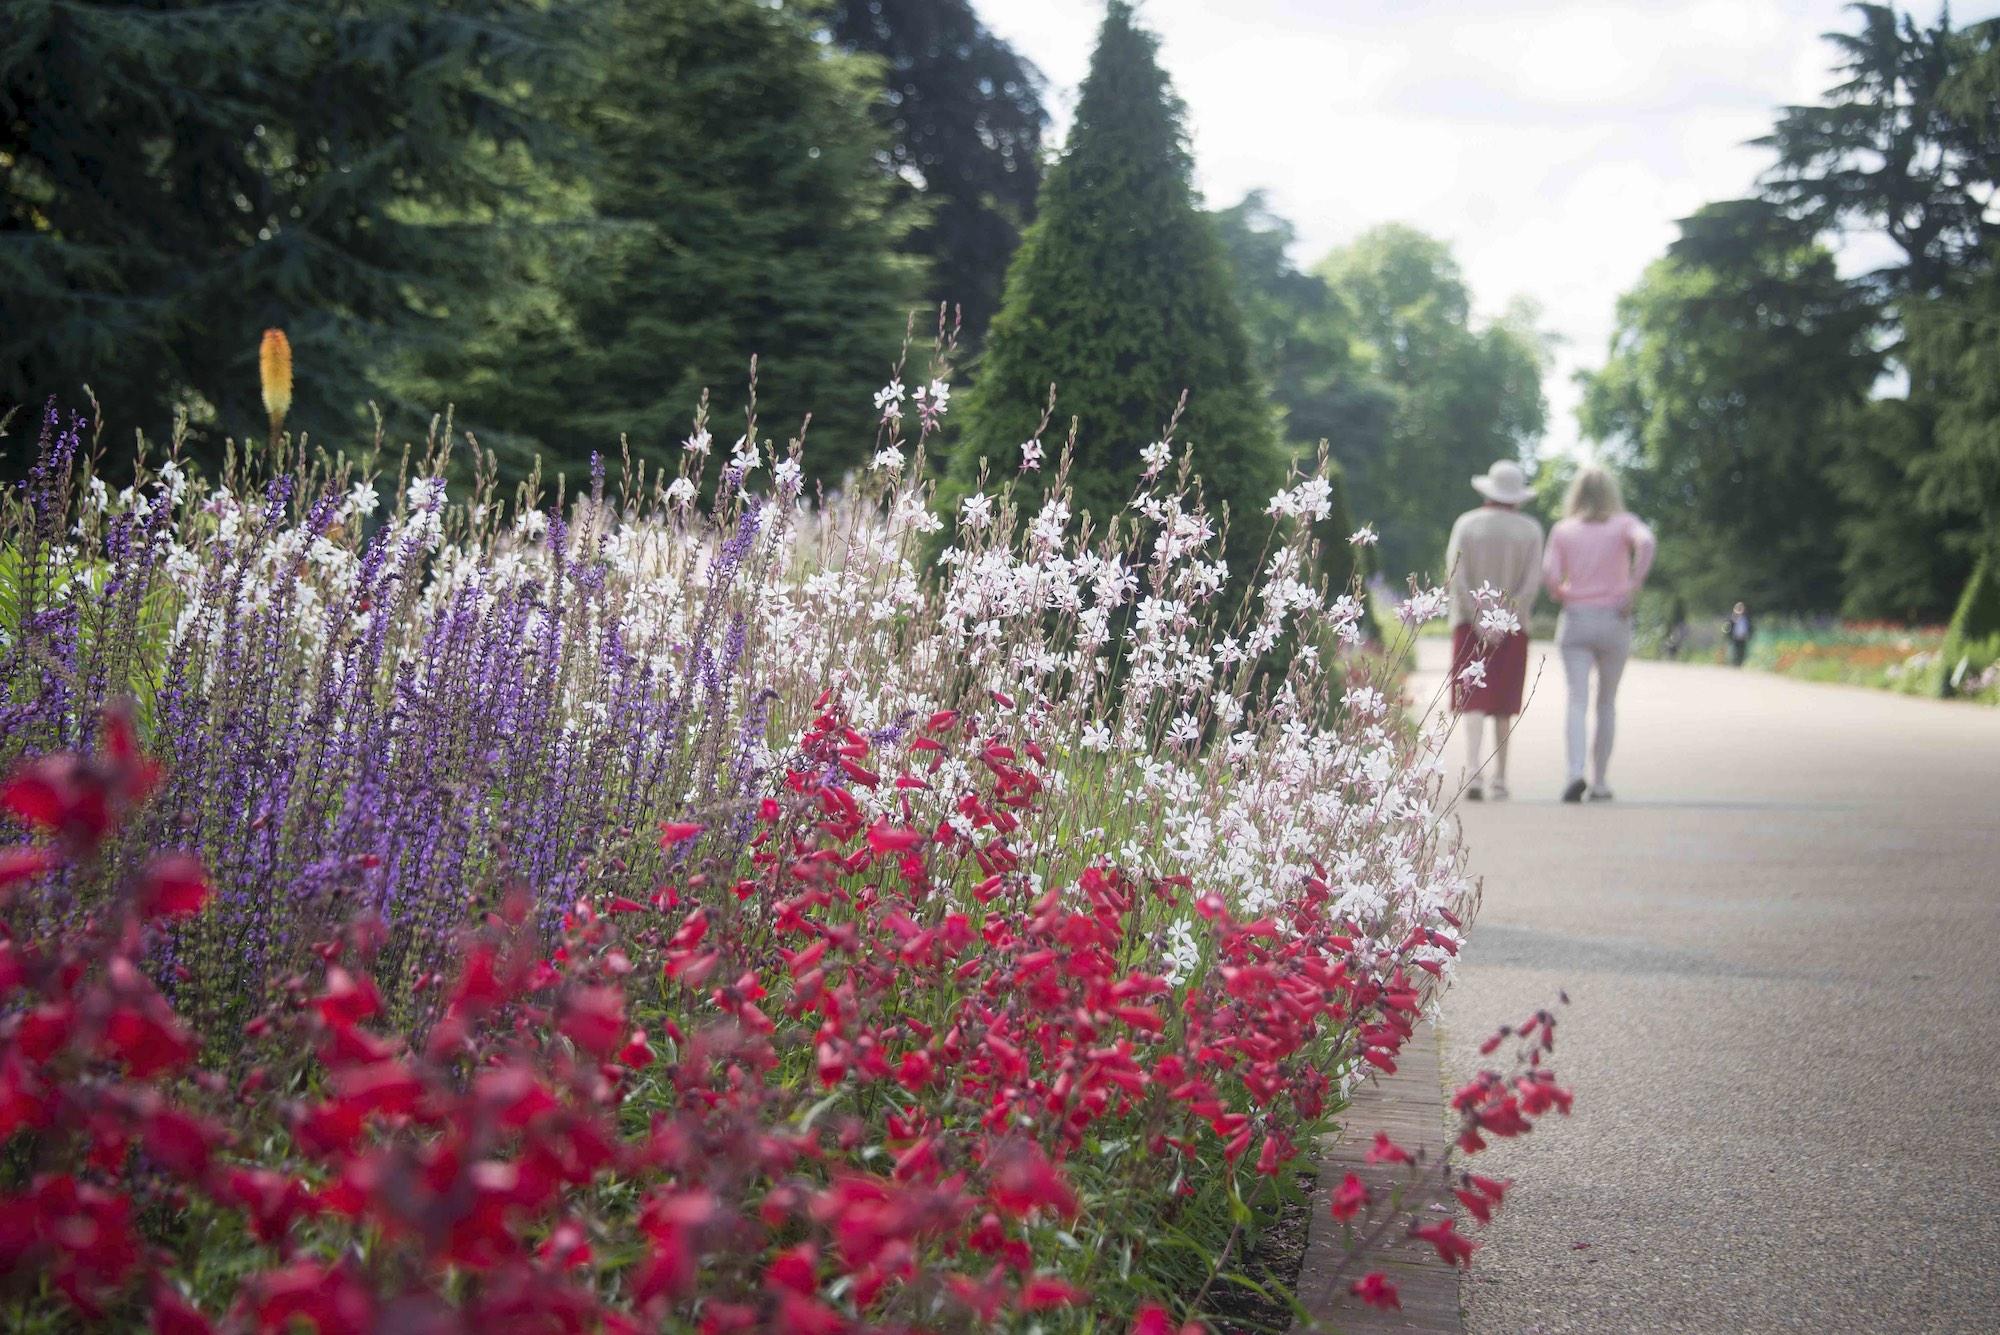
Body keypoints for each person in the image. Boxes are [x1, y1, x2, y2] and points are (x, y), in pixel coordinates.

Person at [1542, 466, 1655, 803]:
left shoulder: (1563, 530)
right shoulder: (1624, 524)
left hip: (1576, 618)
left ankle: (1575, 772)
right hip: (1614, 619)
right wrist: (1633, 586)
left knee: (1576, 700)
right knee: (1606, 702)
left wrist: (1560, 591)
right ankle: (1601, 781)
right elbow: (1647, 542)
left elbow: (1549, 572)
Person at [1445, 460, 1544, 801]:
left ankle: (1473, 770)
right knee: (1503, 702)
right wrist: (1503, 619)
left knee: (1471, 698)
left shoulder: (1467, 524)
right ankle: (1500, 777)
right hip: (1513, 627)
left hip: (1469, 624)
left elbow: (1457, 577)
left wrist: (1479, 619)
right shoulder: (1531, 530)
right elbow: (1531, 584)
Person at [1724, 601, 1754, 667]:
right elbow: (1727, 628)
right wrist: (1729, 636)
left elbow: (1750, 628)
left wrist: (1749, 635)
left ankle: (1740, 664)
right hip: (1735, 638)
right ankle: (1734, 664)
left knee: (1742, 652)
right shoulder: (1732, 618)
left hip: (1743, 638)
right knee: (1734, 651)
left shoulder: (1746, 618)